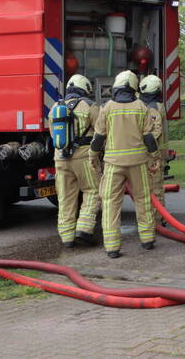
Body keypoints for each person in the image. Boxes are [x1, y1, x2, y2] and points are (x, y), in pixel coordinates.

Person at [90, 70, 161, 259]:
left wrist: (93, 156)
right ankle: (147, 240)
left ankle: (112, 247)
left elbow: (98, 138)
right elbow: (149, 137)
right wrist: (155, 157)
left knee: (111, 203)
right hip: (138, 163)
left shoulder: (107, 108)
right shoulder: (141, 107)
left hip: (113, 165)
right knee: (143, 200)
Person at [46, 74, 101, 248]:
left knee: (65, 198)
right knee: (92, 191)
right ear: (85, 89)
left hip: (60, 159)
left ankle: (67, 237)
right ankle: (84, 229)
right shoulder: (90, 106)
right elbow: (101, 131)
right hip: (84, 158)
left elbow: (52, 134)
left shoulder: (55, 107)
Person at [138, 75, 168, 208]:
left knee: (154, 188)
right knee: (153, 188)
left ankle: (157, 218)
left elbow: (154, 133)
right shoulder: (155, 105)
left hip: (152, 154)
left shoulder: (152, 107)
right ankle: (157, 217)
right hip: (154, 152)